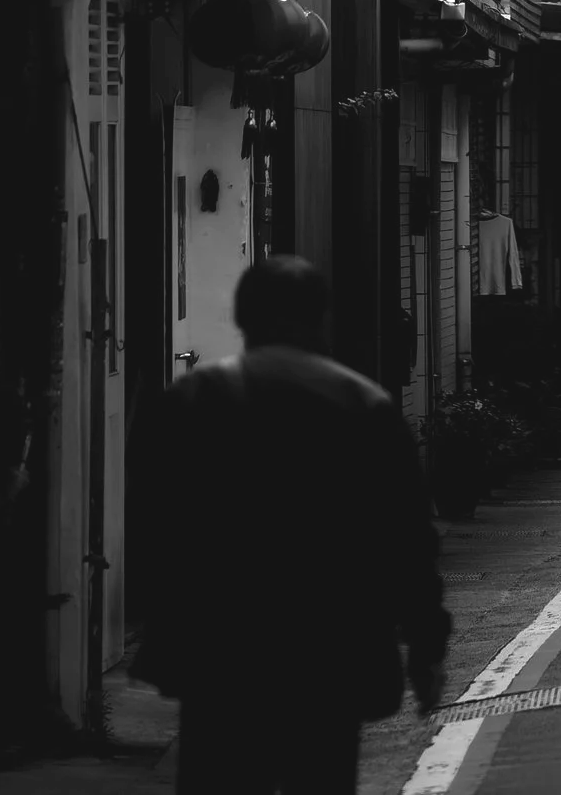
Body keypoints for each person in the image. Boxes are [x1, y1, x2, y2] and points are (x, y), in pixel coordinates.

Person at [132, 252, 451, 794]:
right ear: (319, 317)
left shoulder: (192, 398)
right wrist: (425, 647)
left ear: (241, 316)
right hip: (330, 648)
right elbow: (407, 542)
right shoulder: (365, 405)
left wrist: (166, 624)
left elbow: (153, 526)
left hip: (221, 649)